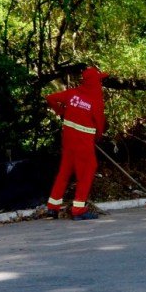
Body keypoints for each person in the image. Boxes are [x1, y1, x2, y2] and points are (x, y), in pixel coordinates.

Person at [45, 66, 107, 219]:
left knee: (65, 171)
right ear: (95, 82)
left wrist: (61, 112)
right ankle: (78, 210)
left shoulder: (72, 94)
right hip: (83, 142)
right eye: (99, 80)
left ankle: (52, 207)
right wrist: (96, 137)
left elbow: (50, 98)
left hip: (68, 140)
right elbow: (99, 125)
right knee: (87, 171)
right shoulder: (96, 100)